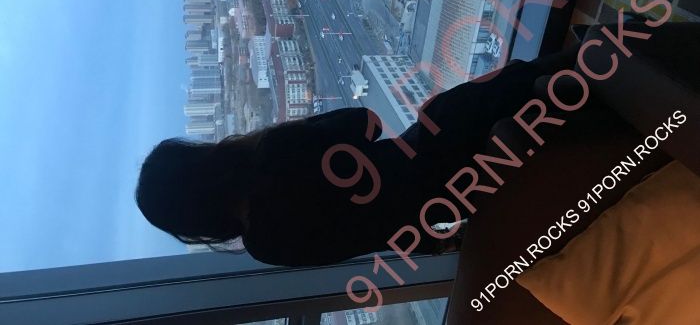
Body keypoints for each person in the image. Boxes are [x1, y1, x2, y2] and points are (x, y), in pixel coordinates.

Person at [135, 46, 579, 267]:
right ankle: (602, 58)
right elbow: (367, 123)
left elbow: (365, 234)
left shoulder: (265, 247)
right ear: (201, 162)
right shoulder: (273, 155)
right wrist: (288, 133)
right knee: (535, 76)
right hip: (441, 146)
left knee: (544, 115)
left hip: (455, 201)